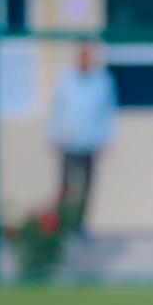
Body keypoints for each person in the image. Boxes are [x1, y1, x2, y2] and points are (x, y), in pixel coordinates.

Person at [45, 42, 116, 235]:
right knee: (65, 185)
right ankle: (61, 224)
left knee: (87, 186)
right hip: (69, 141)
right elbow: (57, 107)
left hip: (90, 141)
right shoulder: (65, 78)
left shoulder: (102, 80)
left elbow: (108, 111)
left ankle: (79, 225)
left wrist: (107, 138)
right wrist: (52, 135)